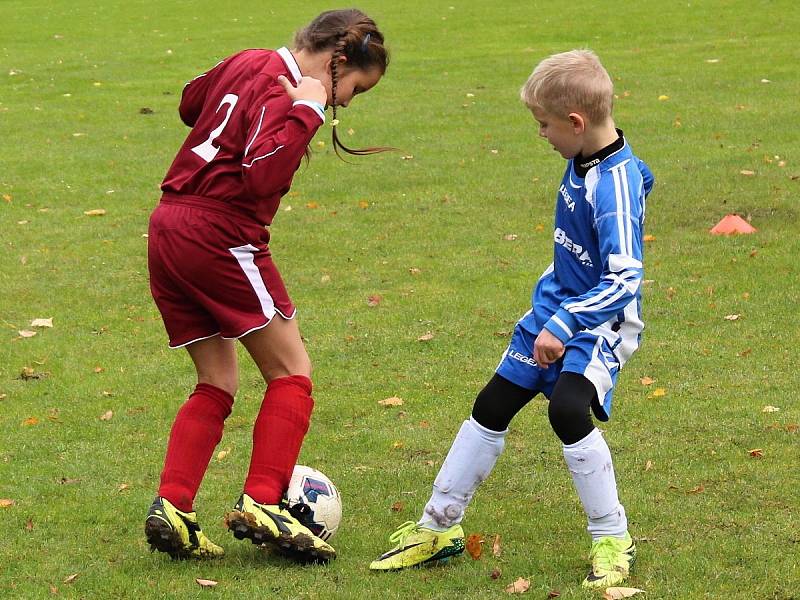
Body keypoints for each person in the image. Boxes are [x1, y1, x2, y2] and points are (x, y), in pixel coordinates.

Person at [370, 49, 654, 588]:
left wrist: (567, 324)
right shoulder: (594, 157)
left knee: (569, 411)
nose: (541, 135)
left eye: (543, 125)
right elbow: (639, 174)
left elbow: (625, 278)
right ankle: (438, 528)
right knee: (493, 403)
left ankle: (612, 536)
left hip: (598, 321)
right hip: (555, 304)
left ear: (575, 123)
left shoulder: (609, 186)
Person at [143, 9, 389, 563]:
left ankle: (174, 506)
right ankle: (262, 500)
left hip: (167, 226)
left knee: (217, 377)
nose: (345, 102)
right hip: (219, 232)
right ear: (337, 61)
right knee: (291, 371)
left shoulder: (249, 60)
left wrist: (239, 85)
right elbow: (261, 174)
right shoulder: (291, 92)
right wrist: (303, 107)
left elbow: (189, 103)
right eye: (353, 87)